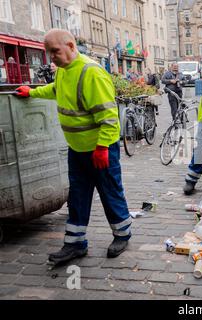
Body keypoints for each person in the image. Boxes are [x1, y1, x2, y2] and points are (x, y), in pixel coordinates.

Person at [15, 29, 131, 265]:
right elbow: (56, 91)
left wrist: (102, 148)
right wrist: (33, 92)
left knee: (109, 192)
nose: (51, 58)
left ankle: (123, 234)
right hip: (77, 149)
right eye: (48, 53)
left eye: (55, 51)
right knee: (77, 195)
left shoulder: (91, 73)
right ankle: (75, 244)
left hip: (100, 149)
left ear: (70, 45)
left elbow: (109, 117)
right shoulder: (63, 71)